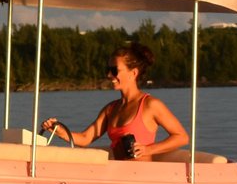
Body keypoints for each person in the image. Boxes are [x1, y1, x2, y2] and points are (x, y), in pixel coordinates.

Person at [40, 42, 188, 160]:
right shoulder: (110, 109)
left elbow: (181, 137)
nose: (109, 75)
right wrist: (59, 131)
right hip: (118, 175)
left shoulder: (151, 105)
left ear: (133, 73)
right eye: (108, 69)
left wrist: (147, 149)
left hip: (141, 177)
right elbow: (86, 138)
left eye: (114, 70)